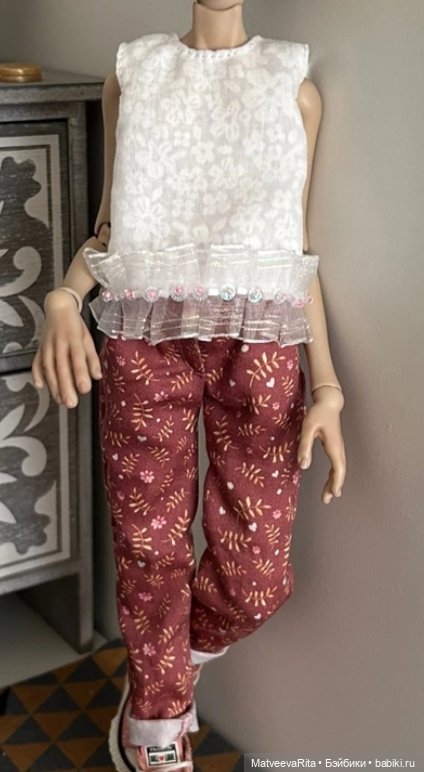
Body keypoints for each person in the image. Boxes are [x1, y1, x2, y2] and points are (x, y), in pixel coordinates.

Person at [31, 1, 346, 770]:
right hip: (145, 333)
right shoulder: (135, 72)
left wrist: (328, 387)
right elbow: (111, 230)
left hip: (259, 338)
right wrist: (64, 296)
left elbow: (295, 251)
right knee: (148, 548)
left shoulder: (292, 85)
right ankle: (154, 727)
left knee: (257, 576)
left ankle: (164, 666)